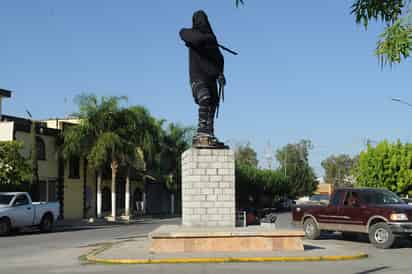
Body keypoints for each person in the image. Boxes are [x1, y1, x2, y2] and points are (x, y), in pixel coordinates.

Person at [179, 10, 226, 148]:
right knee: (204, 98)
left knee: (212, 104)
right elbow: (190, 38)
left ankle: (209, 135)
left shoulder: (212, 40)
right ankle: (202, 134)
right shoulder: (189, 34)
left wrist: (220, 74)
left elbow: (219, 58)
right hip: (198, 78)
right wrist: (207, 39)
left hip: (211, 79)